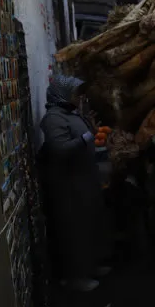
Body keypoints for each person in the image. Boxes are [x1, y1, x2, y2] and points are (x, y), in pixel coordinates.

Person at [39, 75, 112, 292]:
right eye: (74, 93)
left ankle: (90, 267)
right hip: (69, 185)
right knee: (74, 230)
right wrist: (87, 137)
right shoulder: (53, 119)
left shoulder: (69, 114)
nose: (78, 97)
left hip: (84, 179)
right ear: (61, 94)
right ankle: (75, 277)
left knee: (89, 225)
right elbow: (60, 149)